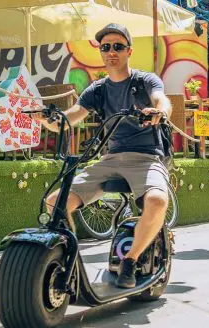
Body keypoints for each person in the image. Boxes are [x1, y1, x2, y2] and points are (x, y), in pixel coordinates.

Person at [34, 23, 172, 289]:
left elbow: (161, 99)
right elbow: (69, 118)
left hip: (146, 159)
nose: (111, 52)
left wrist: (160, 112)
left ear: (129, 51)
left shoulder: (144, 80)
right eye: (105, 47)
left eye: (118, 47)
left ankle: (131, 260)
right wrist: (47, 119)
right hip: (110, 160)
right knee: (55, 202)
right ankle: (69, 261)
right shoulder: (97, 90)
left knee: (156, 201)